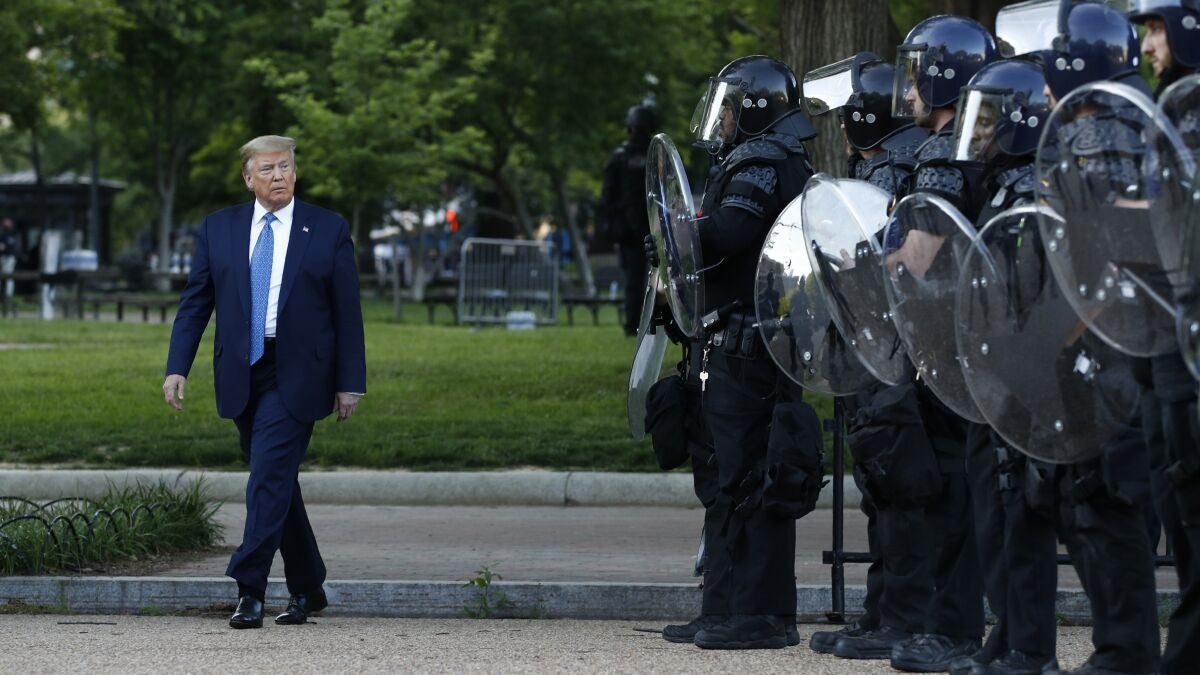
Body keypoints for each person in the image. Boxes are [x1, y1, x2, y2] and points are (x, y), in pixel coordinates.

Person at [828, 16, 997, 673]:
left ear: (947, 78)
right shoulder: (962, 143)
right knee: (945, 487)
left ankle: (949, 628)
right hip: (956, 342)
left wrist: (857, 266)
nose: (906, 91)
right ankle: (931, 622)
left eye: (917, 76)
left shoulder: (944, 151)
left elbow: (919, 255)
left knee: (948, 490)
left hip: (945, 345)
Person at [162, 135, 366, 629]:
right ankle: (309, 586)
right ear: (248, 178)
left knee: (268, 477)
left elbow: (347, 312)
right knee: (277, 481)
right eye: (269, 169)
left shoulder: (328, 229)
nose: (279, 176)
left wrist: (350, 381)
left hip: (300, 372)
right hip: (241, 370)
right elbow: (196, 302)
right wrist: (177, 366)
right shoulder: (219, 228)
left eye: (286, 167)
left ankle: (249, 586)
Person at [659, 54, 818, 651]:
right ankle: (723, 608)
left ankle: (762, 615)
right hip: (736, 341)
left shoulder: (763, 162)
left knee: (752, 479)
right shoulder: (761, 157)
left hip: (755, 347)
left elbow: (729, 232)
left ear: (752, 107)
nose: (721, 118)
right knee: (728, 479)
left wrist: (676, 232)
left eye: (728, 106)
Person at [801, 51, 934, 659]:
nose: (839, 124)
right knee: (880, 486)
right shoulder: (881, 164)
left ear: (866, 115)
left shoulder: (894, 170)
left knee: (897, 487)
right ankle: (883, 612)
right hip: (876, 346)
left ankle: (901, 618)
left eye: (845, 113)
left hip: (892, 351)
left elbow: (876, 259)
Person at [947, 56, 1062, 675]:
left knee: (1021, 511)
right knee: (994, 511)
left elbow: (1034, 293)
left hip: (1021, 376)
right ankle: (1008, 631)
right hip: (989, 373)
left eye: (988, 121)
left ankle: (1030, 647)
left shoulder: (1031, 193)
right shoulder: (998, 186)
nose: (979, 132)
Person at [1125, 2, 1200, 673]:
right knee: (1176, 497)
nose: (1149, 45)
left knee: (1191, 500)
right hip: (1164, 330)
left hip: (1187, 336)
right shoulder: (1173, 104)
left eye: (1157, 29)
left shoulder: (1190, 105)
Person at [600, 104, 657, 336]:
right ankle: (654, 322)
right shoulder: (656, 154)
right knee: (657, 279)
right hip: (653, 226)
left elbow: (607, 196)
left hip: (629, 230)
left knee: (634, 279)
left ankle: (633, 323)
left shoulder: (619, 157)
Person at [0, 218, 18, 300]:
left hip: (9, 258)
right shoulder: (4, 235)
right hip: (4, 258)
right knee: (5, 276)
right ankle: (5, 294)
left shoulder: (12, 235)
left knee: (8, 276)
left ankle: (8, 295)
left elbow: (2, 247)